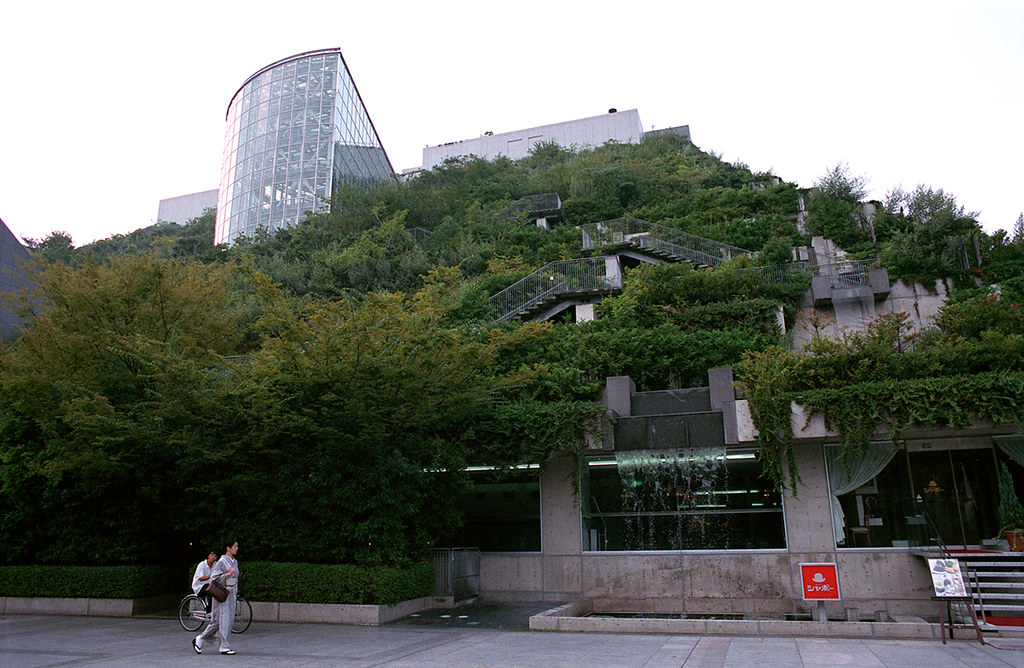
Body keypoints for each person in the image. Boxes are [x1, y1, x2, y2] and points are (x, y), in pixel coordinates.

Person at [193, 539, 240, 656]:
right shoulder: (221, 562)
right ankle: (224, 646)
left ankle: (200, 638)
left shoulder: (235, 562)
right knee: (223, 620)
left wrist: (235, 594)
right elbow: (214, 578)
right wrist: (227, 574)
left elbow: (236, 579)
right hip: (222, 594)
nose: (236, 548)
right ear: (228, 548)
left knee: (221, 621)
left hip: (231, 593)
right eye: (234, 546)